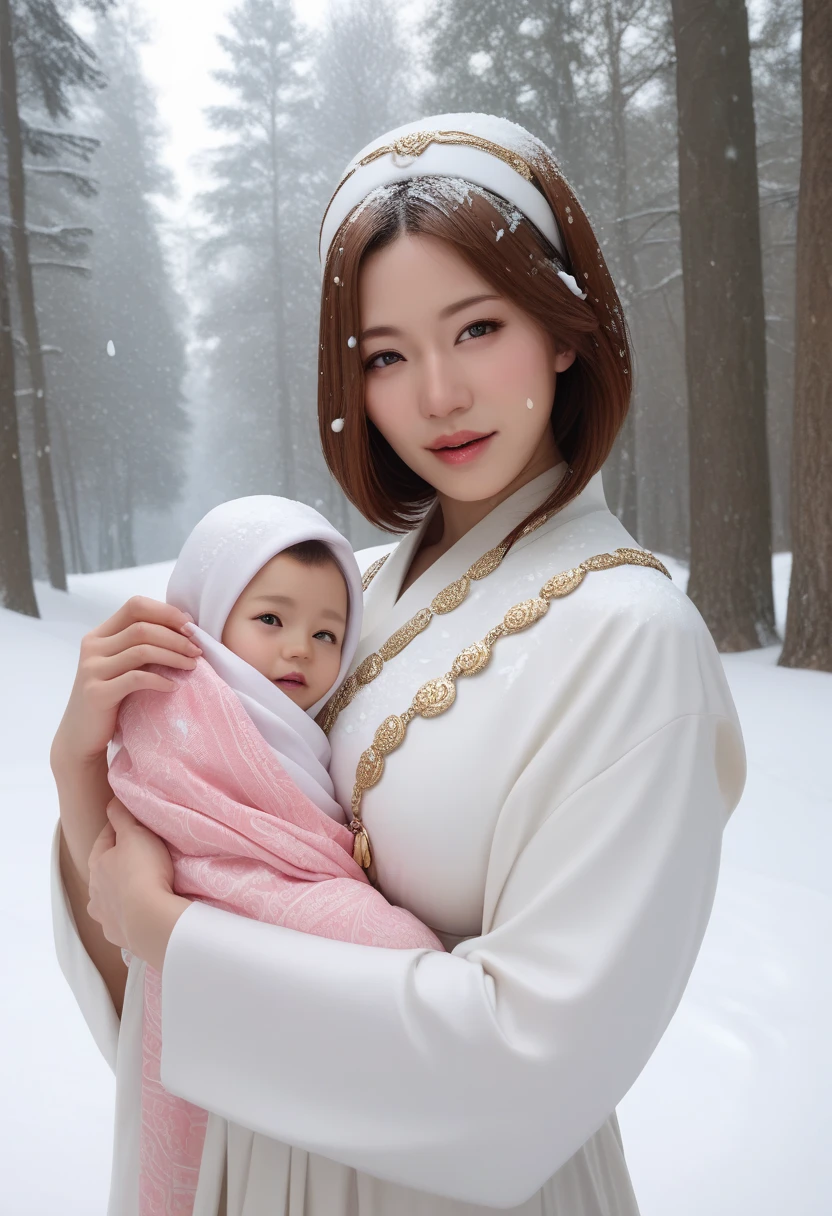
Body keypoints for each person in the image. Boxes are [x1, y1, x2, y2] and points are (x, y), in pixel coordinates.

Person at [50, 113, 747, 1216]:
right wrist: (85, 765)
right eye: (384, 355)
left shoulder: (632, 641)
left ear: (564, 329)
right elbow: (173, 887)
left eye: (477, 329)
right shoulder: (344, 592)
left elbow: (530, 1063)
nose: (436, 396)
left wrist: (177, 941)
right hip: (255, 1166)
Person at [105, 494, 442, 1215]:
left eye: (328, 634)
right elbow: (206, 826)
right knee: (394, 949)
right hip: (224, 902)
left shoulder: (285, 721)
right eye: (271, 620)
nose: (300, 649)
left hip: (259, 1004)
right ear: (208, 611)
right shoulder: (184, 701)